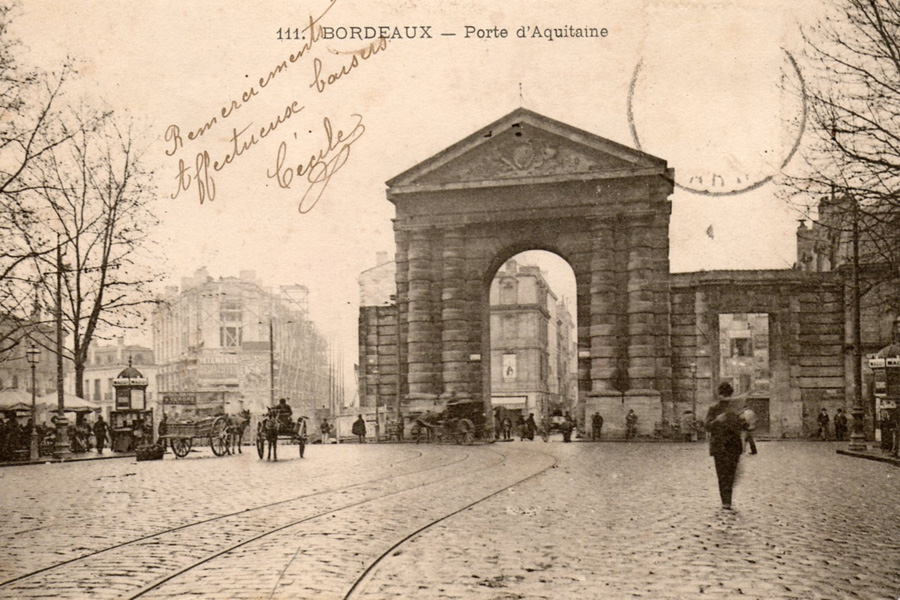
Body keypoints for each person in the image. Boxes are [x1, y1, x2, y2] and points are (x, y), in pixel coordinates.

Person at [706, 382, 744, 510]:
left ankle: (726, 501)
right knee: (728, 474)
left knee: (723, 474)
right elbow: (708, 426)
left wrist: (742, 420)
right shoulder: (717, 408)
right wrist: (718, 420)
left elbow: (707, 426)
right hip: (729, 445)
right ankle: (727, 501)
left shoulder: (733, 409)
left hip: (723, 446)